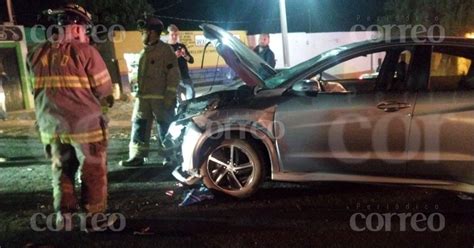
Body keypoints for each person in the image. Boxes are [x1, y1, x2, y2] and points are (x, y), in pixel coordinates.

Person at [27, 4, 114, 230]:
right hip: (84, 128)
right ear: (76, 28)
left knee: (61, 170)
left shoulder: (36, 53)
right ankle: (94, 219)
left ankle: (63, 216)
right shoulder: (86, 52)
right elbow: (104, 89)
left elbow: (34, 90)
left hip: (51, 126)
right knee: (93, 170)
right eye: (85, 30)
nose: (86, 34)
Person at [119, 16, 181, 167]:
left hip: (161, 99)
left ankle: (170, 157)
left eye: (144, 32)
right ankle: (137, 156)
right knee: (139, 125)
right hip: (143, 98)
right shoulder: (144, 52)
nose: (142, 35)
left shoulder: (166, 51)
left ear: (153, 33)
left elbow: (174, 75)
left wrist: (169, 96)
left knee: (165, 126)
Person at [167, 24, 195, 100]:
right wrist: (174, 57)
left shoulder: (182, 46)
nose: (174, 37)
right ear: (168, 35)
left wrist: (185, 55)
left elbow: (191, 60)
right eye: (172, 35)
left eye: (176, 35)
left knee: (191, 97)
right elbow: (164, 65)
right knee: (178, 100)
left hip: (185, 76)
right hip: (173, 79)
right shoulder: (165, 48)